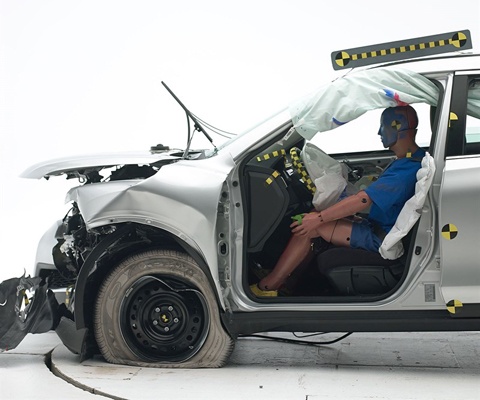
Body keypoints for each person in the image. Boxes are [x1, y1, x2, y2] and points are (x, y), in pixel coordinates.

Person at [250, 105, 426, 297]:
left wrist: (319, 219)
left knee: (308, 226)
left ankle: (268, 287)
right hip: (379, 227)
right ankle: (289, 282)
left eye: (382, 126)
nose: (379, 132)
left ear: (397, 127)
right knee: (315, 221)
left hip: (380, 238)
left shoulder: (405, 169)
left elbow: (363, 200)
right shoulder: (412, 160)